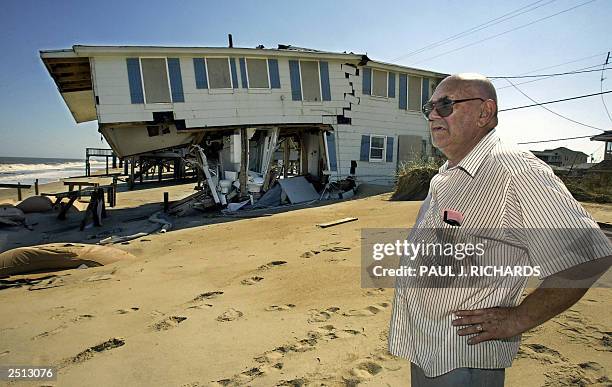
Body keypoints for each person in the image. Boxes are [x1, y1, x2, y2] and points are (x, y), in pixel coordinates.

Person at [387, 73, 612, 386]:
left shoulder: (512, 170)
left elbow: (588, 255)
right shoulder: (446, 173)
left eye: (446, 104)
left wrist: (517, 319)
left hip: (463, 356)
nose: (434, 114)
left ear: (485, 112)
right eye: (430, 107)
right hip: (427, 345)